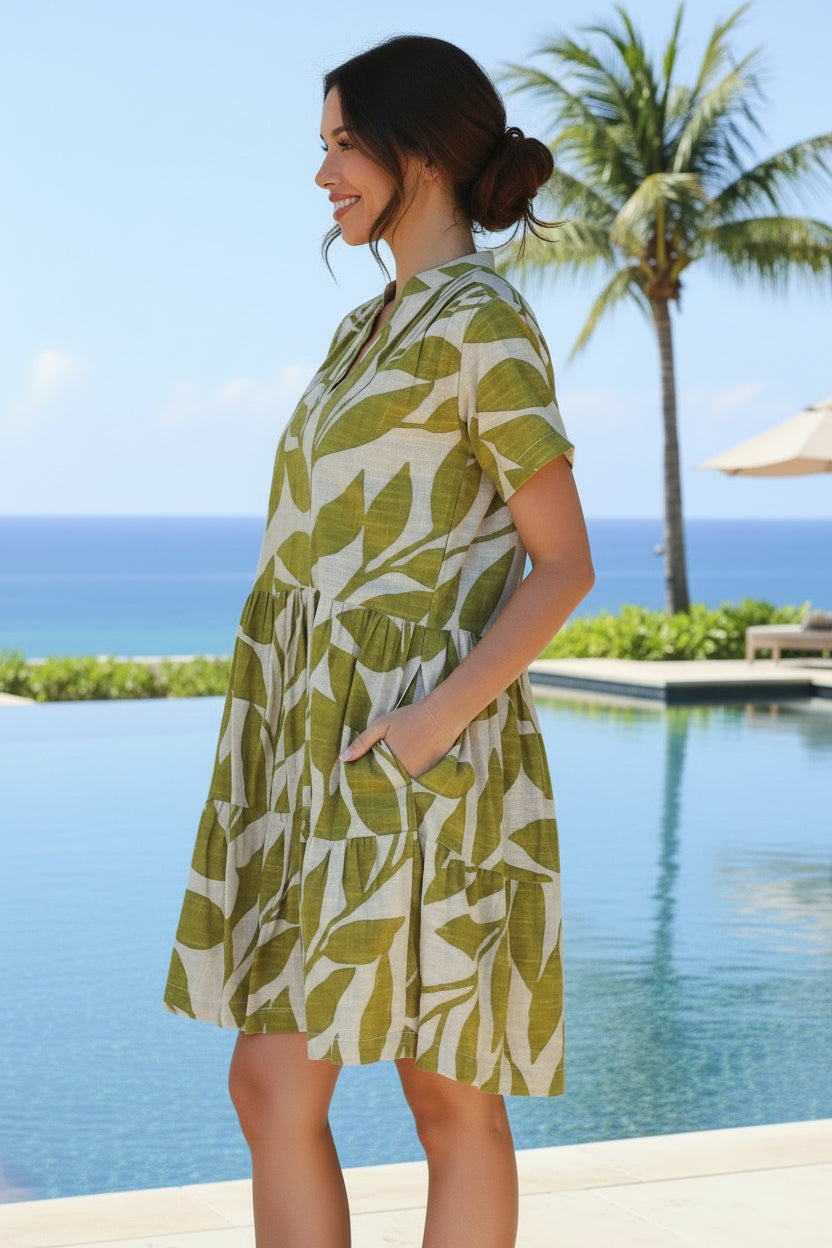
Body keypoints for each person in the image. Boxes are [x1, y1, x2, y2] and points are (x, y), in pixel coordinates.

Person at [163, 33, 594, 1248]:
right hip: (325, 748)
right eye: (325, 148)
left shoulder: (484, 326)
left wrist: (428, 724)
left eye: (345, 145)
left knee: (443, 1092)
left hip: (417, 748)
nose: (325, 176)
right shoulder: (370, 326)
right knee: (278, 1084)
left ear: (423, 152)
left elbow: (562, 563)